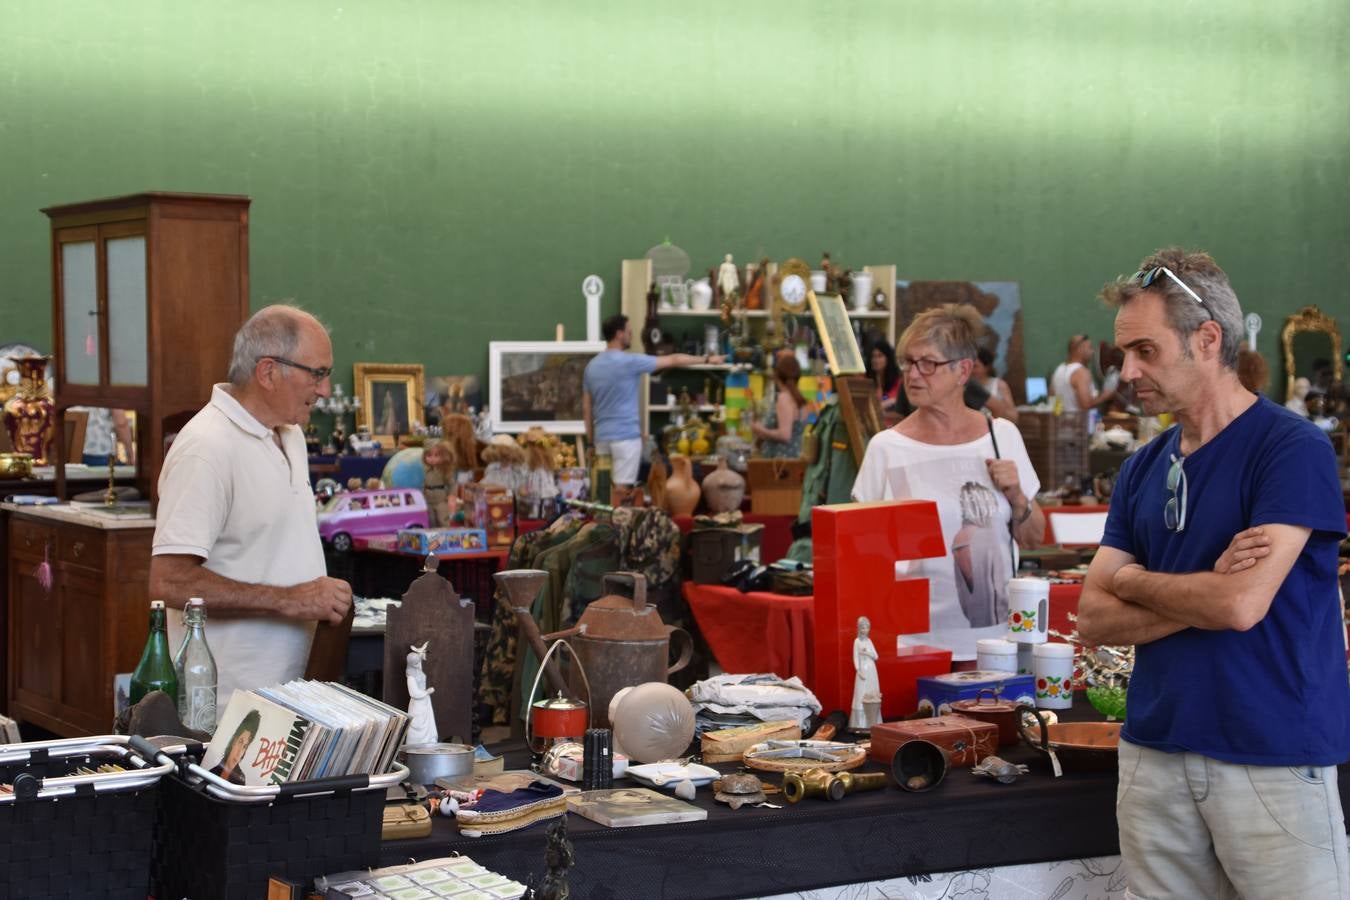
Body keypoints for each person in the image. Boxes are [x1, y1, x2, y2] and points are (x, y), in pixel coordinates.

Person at [1077, 248, 1349, 898]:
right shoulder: (1144, 465)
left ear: (1208, 339)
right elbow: (1092, 617)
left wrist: (1136, 580)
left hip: (1271, 753)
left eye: (1145, 350)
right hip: (1155, 749)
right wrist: (1206, 589)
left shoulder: (1290, 448)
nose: (1128, 371)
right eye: (1122, 354)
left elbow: (1239, 607)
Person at [150, 305, 353, 709]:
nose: (325, 390)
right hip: (229, 708)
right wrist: (289, 599)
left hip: (293, 698)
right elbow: (168, 582)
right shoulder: (207, 448)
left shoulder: (290, 435)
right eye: (318, 373)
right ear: (268, 372)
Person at [851, 303, 1044, 662]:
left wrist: (1017, 495)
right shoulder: (887, 447)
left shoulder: (1001, 436)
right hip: (912, 642)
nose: (913, 374)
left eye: (928, 363)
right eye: (908, 362)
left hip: (994, 642)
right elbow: (863, 556)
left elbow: (1034, 536)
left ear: (963, 371)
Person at [582, 314, 723, 501]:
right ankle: (619, 528)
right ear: (619, 334)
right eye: (628, 331)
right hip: (626, 439)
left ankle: (605, 528)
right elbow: (673, 360)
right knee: (622, 494)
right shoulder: (630, 361)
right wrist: (707, 360)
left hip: (601, 439)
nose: (631, 334)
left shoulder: (591, 367)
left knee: (602, 495)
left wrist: (590, 442)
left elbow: (586, 408)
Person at [749, 350, 808, 458]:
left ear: (777, 376)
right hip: (795, 460)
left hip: (779, 463)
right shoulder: (801, 400)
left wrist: (759, 429)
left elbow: (785, 435)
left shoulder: (784, 398)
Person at [1050, 334, 1116, 412]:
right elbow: (1086, 405)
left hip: (1063, 422)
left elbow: (1053, 400)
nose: (1092, 352)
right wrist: (1106, 396)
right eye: (1090, 347)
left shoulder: (1058, 370)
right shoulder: (1081, 372)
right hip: (1080, 423)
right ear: (1080, 349)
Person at [210, 708, 260, 785]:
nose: (239, 752)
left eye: (245, 746)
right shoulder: (212, 772)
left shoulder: (240, 780)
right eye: (240, 742)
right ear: (234, 741)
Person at [849, 616, 881, 730]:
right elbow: (855, 658)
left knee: (871, 693)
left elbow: (876, 656)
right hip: (862, 670)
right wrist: (858, 670)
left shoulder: (869, 641)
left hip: (871, 670)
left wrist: (867, 653)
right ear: (859, 628)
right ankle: (859, 723)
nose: (865, 630)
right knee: (860, 694)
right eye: (863, 627)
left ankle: (872, 720)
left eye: (867, 627)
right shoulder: (856, 641)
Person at [972, 348, 1018, 423]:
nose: (971, 370)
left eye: (975, 366)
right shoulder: (964, 387)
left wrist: (996, 406)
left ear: (986, 367)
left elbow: (1014, 417)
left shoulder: (999, 385)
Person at [405, 641, 438, 745]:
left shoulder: (418, 670)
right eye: (416, 662)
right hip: (417, 702)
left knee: (428, 722)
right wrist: (427, 692)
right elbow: (413, 693)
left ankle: (429, 741)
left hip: (425, 701)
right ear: (411, 663)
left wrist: (420, 651)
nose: (418, 663)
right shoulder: (410, 676)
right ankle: (416, 744)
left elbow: (419, 662)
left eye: (418, 661)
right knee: (418, 722)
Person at [869, 339, 902, 413]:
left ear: (888, 359)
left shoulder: (898, 382)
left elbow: (900, 401)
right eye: (873, 356)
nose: (875, 360)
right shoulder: (867, 380)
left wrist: (889, 402)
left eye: (880, 356)